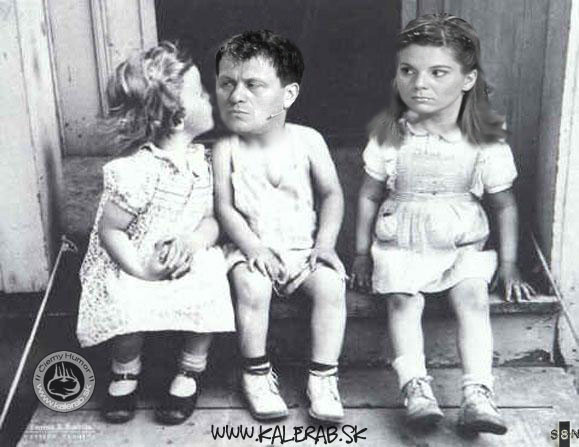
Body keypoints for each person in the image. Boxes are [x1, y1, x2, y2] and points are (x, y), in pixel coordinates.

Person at [350, 14, 534, 435]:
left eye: (438, 72)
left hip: (459, 241)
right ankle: (415, 387)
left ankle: (478, 393)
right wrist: (361, 253)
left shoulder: (483, 136)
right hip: (402, 240)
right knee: (402, 300)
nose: (419, 83)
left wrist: (509, 264)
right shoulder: (390, 133)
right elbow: (369, 195)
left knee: (473, 297)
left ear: (467, 79)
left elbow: (504, 204)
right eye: (408, 70)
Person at [76, 42, 235, 425]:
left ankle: (189, 371)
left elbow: (211, 220)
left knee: (210, 282)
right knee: (129, 295)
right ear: (178, 119)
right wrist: (141, 269)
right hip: (137, 255)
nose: (210, 97)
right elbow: (111, 230)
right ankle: (125, 372)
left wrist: (192, 243)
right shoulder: (138, 169)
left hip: (186, 254)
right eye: (201, 93)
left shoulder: (201, 161)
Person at [212, 30, 347, 423]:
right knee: (251, 286)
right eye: (227, 83)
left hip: (304, 250)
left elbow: (332, 194)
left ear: (288, 95)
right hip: (250, 250)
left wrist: (325, 244)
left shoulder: (308, 141)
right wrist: (252, 247)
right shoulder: (226, 148)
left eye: (253, 85)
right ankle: (255, 373)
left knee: (331, 286)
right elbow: (225, 208)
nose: (237, 95)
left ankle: (323, 377)